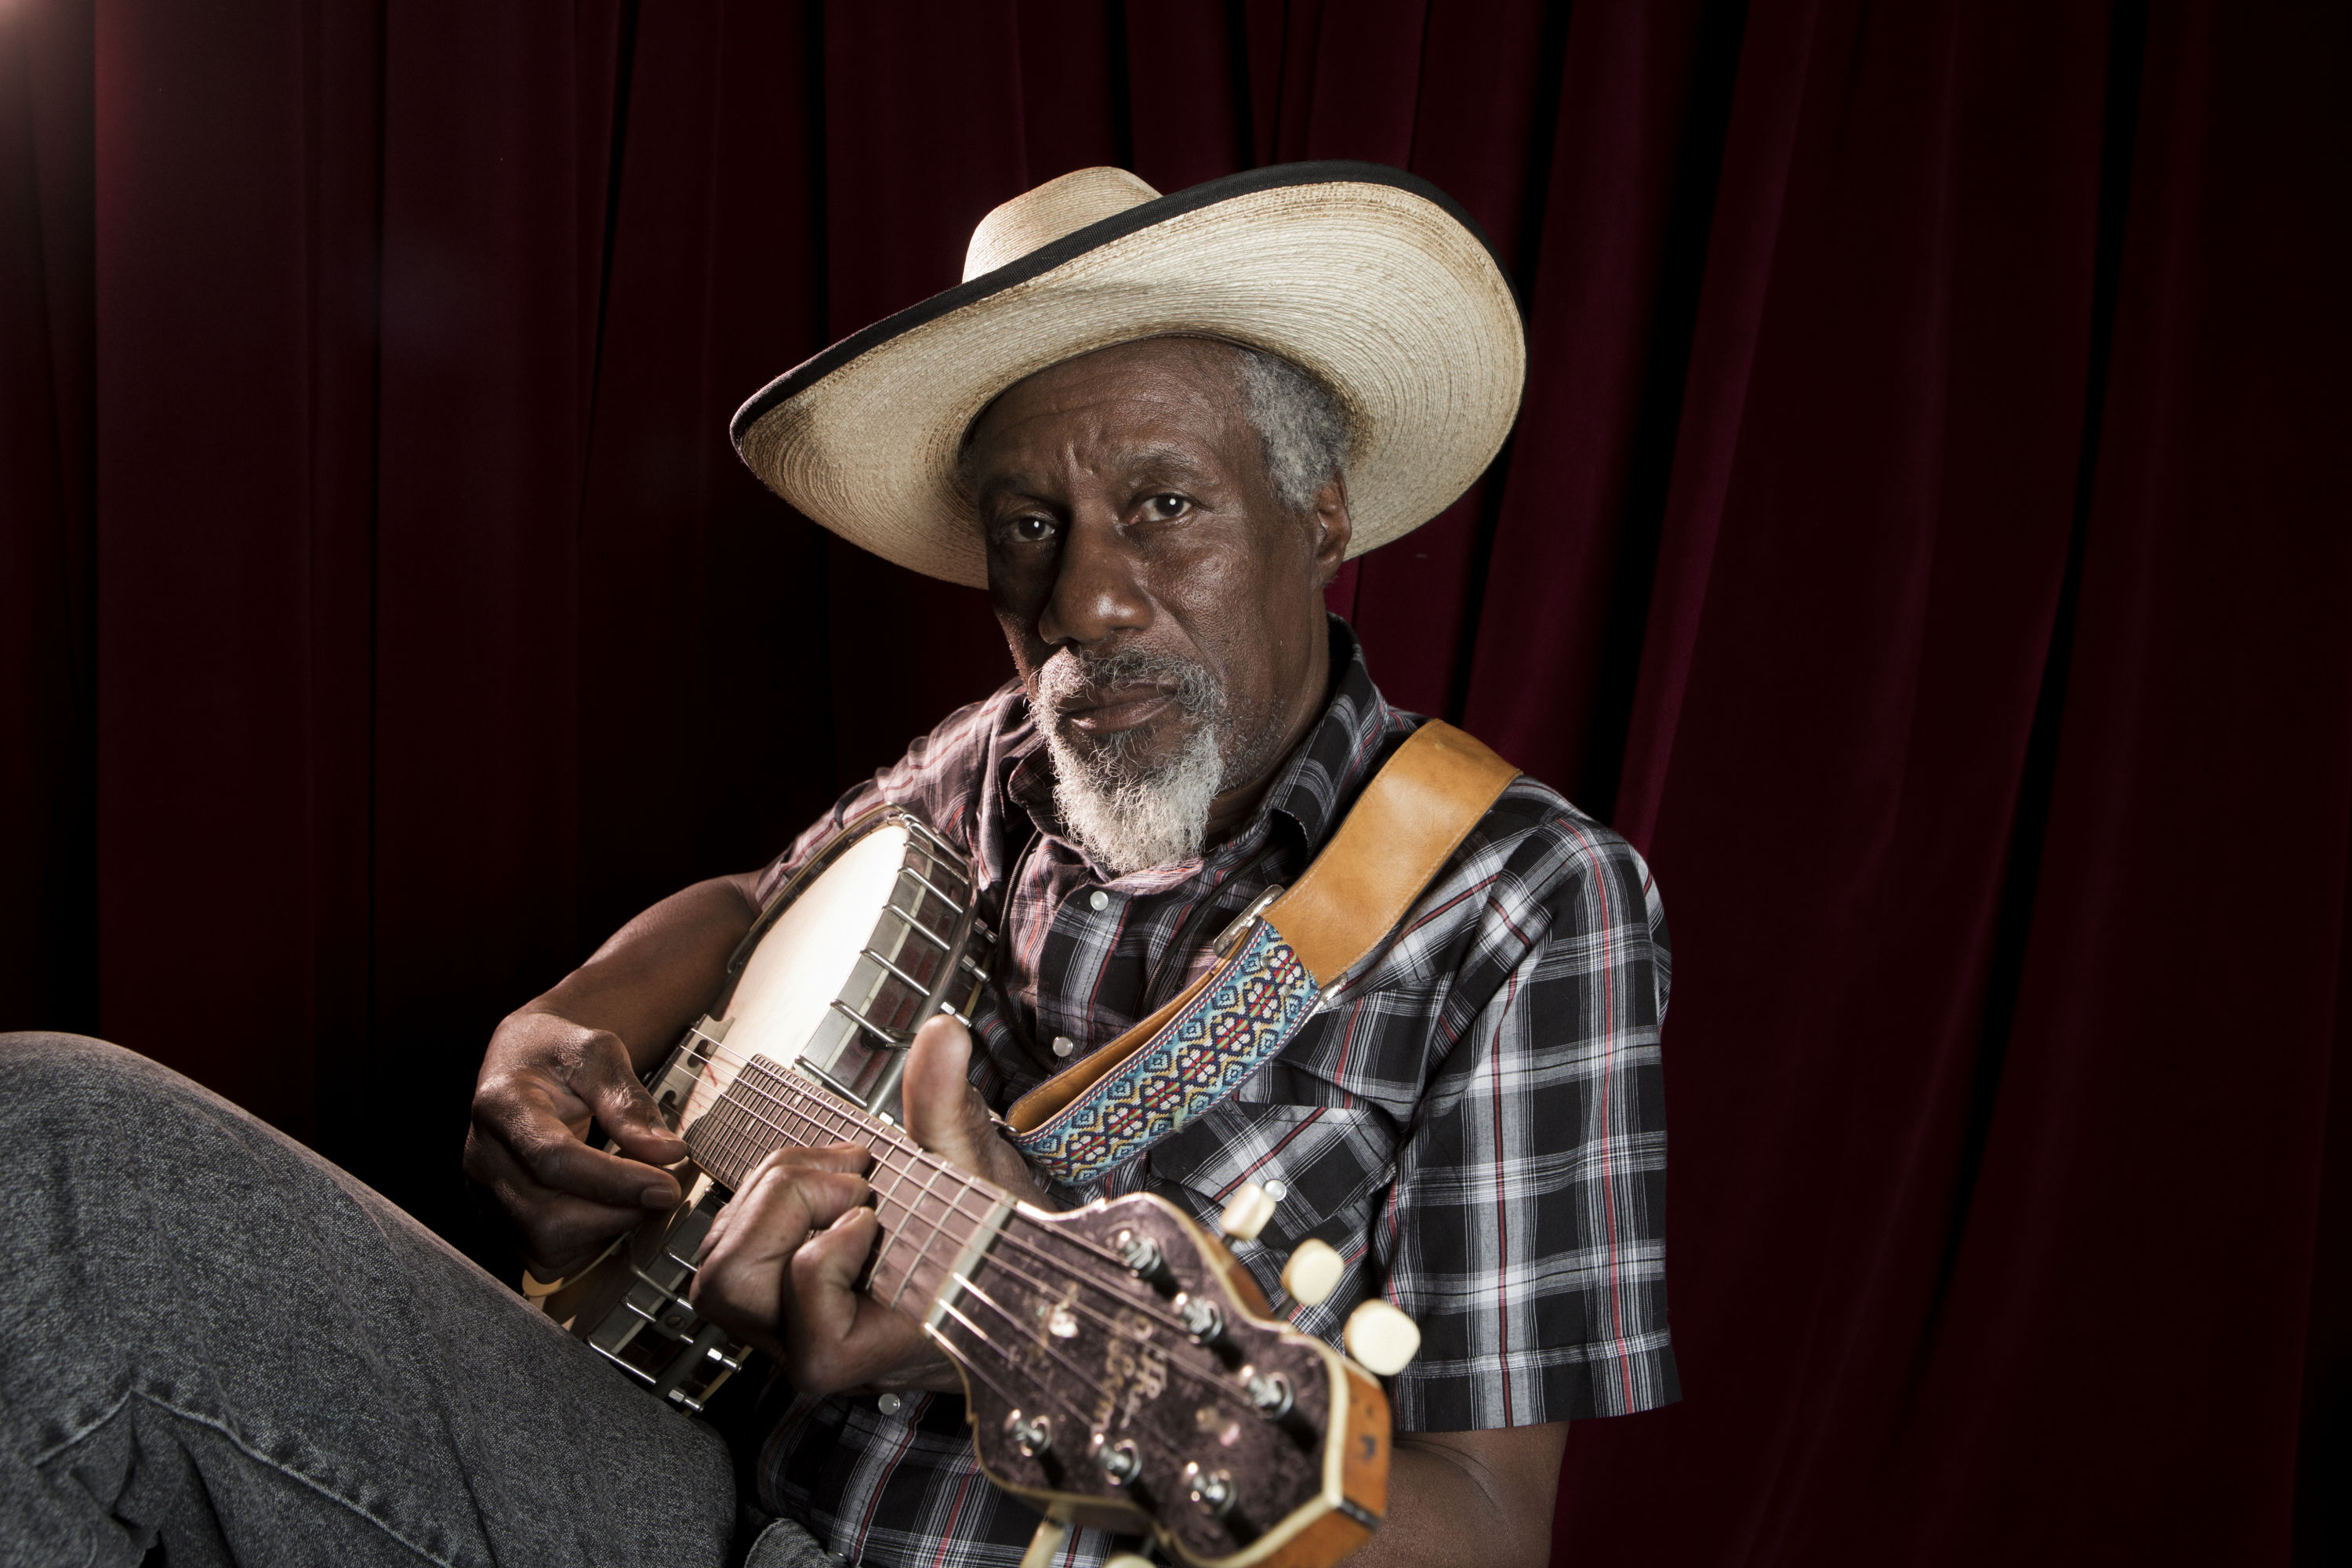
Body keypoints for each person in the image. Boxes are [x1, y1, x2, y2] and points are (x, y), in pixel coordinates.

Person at [1, 163, 1672, 1568]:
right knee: (58, 1156)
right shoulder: (1005, 753)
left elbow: (1482, 1524)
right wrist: (563, 1028)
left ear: (1323, 514)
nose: (1084, 602)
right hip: (712, 1505)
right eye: (1030, 528)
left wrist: (1006, 1344)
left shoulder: (1525, 902)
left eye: (1164, 506)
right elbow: (758, 907)